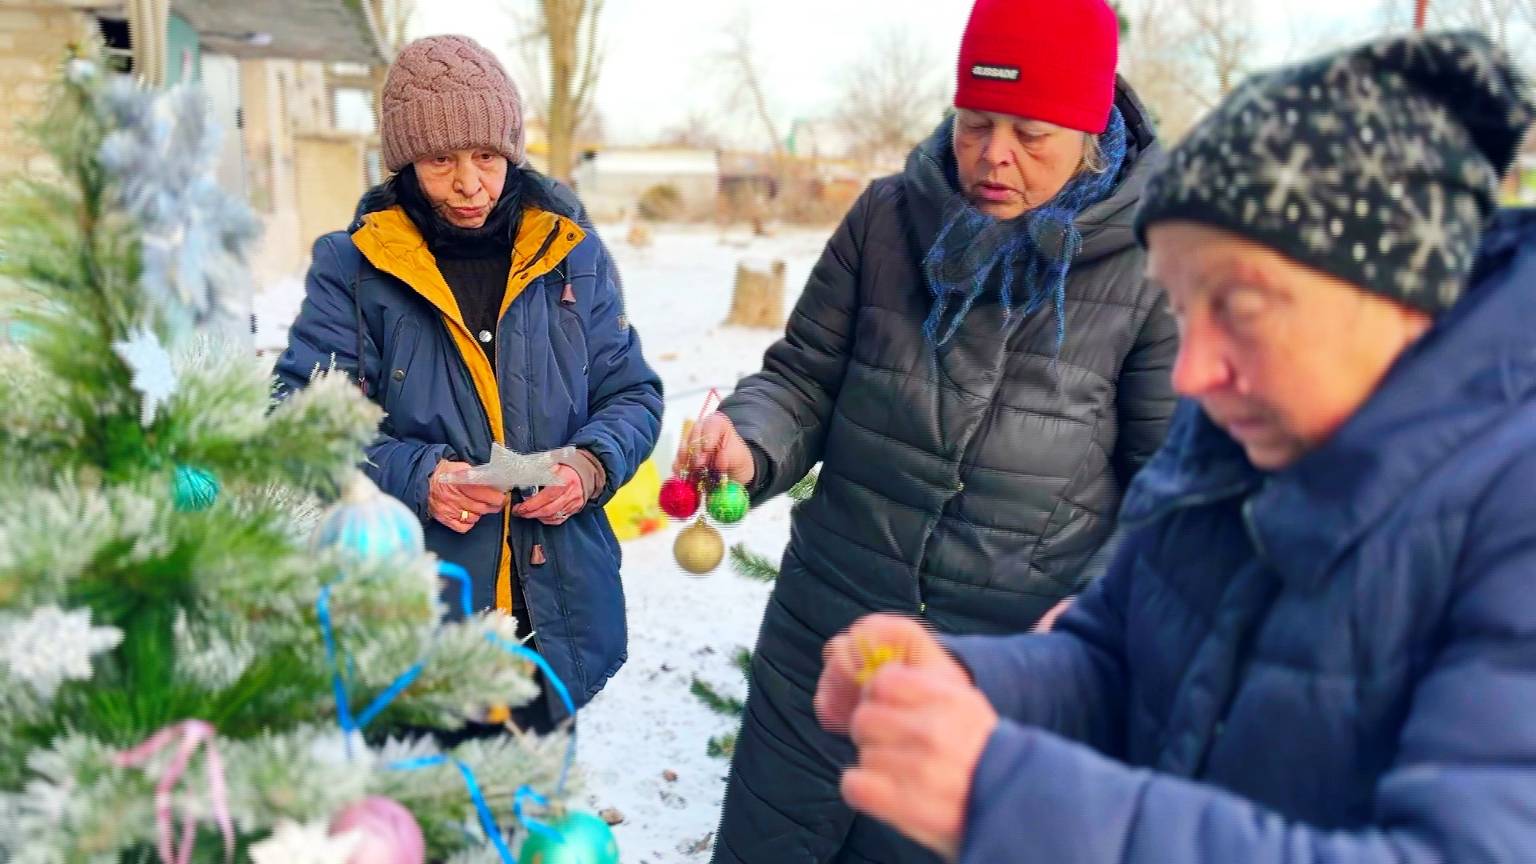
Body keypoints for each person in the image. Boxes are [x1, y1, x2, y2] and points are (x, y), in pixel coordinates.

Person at [815, 31, 1536, 863]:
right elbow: (1121, 658)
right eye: (1185, 309)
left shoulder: (1511, 516)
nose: (1192, 372)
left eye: (1240, 305)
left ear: (1401, 290)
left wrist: (1014, 799)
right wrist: (976, 681)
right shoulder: (1231, 437)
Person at [685, 1, 1178, 860]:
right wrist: (747, 439)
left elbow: (1166, 488)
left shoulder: (1150, 268)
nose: (994, 154)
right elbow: (803, 378)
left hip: (989, 675)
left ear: (1092, 131)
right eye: (976, 122)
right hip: (825, 633)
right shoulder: (886, 220)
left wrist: (1086, 625)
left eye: (1031, 133)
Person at [275, 35, 661, 732]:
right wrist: (420, 477)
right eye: (440, 160)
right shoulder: (354, 268)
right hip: (418, 612)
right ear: (404, 163)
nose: (470, 183)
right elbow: (302, 417)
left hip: (556, 610)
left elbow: (631, 393)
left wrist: (592, 464)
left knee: (538, 820)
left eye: (486, 156)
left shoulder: (570, 251)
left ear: (511, 152)